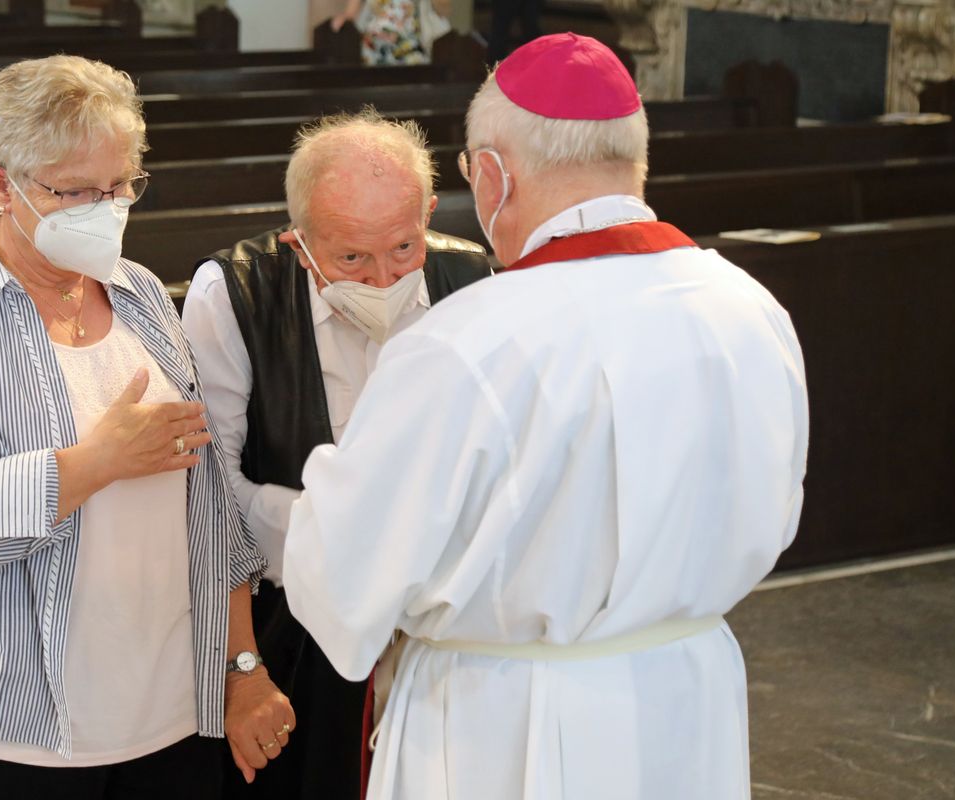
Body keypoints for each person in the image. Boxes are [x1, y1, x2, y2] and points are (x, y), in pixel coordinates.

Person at [282, 33, 809, 800]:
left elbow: (342, 580)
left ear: (491, 176)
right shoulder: (749, 307)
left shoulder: (465, 343)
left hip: (503, 722)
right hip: (686, 696)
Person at [0, 55, 294, 799]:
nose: (106, 210)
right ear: (2, 184)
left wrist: (242, 667)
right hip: (16, 730)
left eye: (120, 186)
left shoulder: (138, 294)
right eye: (75, 192)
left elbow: (209, 505)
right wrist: (91, 464)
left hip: (172, 709)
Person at [181, 109, 492, 799]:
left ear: (430, 212)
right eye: (351, 258)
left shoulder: (470, 277)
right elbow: (209, 487)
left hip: (439, 622)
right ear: (299, 242)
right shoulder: (236, 293)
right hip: (290, 621)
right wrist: (350, 536)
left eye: (404, 248)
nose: (383, 281)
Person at [332, 0, 452, 65]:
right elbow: (351, 11)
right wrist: (346, 15)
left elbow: (443, 9)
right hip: (374, 46)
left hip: (409, 45)